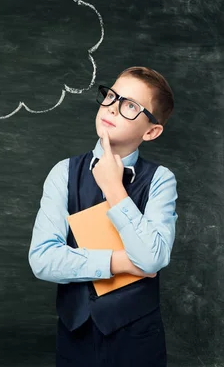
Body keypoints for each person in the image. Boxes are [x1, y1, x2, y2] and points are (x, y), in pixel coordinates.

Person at [28, 66, 177, 366]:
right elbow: (42, 259)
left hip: (138, 342)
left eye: (131, 106)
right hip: (75, 338)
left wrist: (113, 187)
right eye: (112, 96)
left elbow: (152, 258)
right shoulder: (64, 173)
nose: (112, 107)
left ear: (151, 131)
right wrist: (121, 262)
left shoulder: (161, 180)